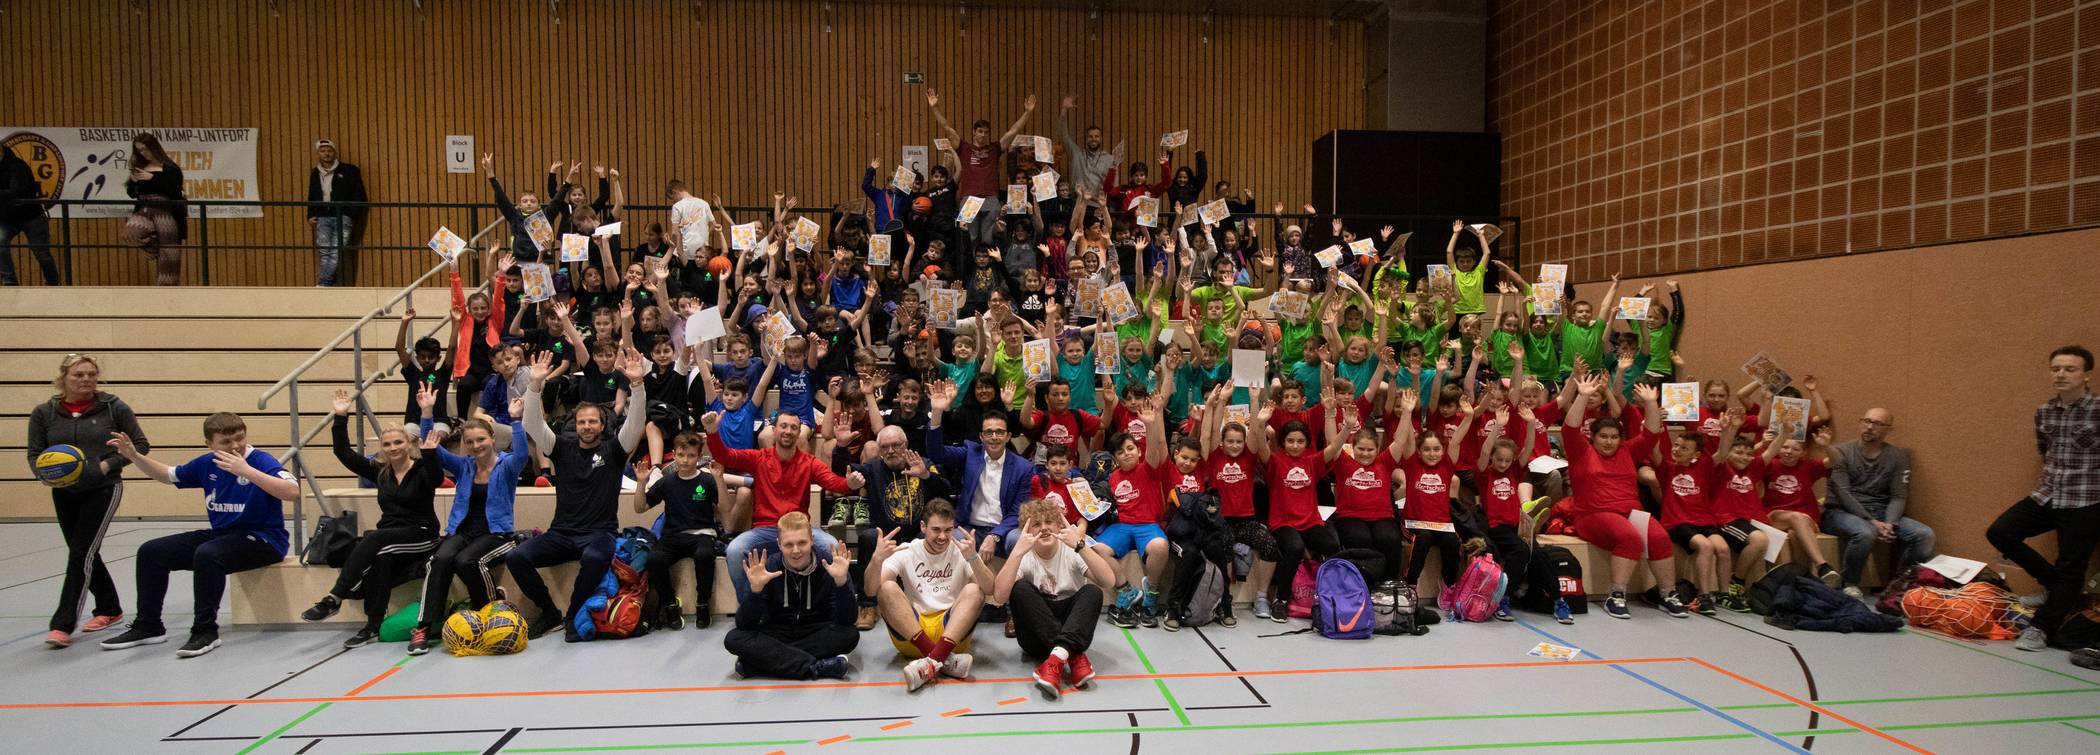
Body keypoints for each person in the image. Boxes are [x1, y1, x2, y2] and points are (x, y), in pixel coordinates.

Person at [99, 413, 295, 657]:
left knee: (208, 554)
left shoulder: (261, 460)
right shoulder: (207, 463)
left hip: (264, 539)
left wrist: (246, 470)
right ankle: (148, 625)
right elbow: (168, 475)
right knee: (151, 551)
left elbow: (291, 491)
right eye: (226, 442)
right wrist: (135, 456)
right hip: (223, 534)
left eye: (239, 438)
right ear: (210, 444)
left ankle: (205, 630)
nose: (235, 446)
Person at [508, 349, 649, 642]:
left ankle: (572, 614)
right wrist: (535, 386)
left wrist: (637, 385)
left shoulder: (613, 450)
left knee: (597, 557)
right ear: (575, 425)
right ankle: (548, 612)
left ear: (602, 425)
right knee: (517, 557)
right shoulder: (560, 448)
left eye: (592, 422)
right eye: (582, 422)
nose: (586, 427)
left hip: (600, 533)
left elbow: (636, 425)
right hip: (561, 533)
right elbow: (532, 425)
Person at [301, 388, 442, 648]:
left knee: (376, 541)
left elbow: (436, 478)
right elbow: (343, 453)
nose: (393, 448)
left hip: (422, 534)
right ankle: (372, 625)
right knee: (381, 557)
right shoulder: (380, 471)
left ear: (409, 444)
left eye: (398, 443)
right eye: (387, 445)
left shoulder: (423, 469)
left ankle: (335, 597)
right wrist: (340, 416)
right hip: (388, 537)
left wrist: (430, 442)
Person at [28, 355, 146, 648]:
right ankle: (110, 608)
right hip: (64, 491)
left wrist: (109, 464)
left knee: (80, 553)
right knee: (85, 551)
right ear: (64, 378)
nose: (86, 379)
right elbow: (35, 453)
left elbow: (140, 445)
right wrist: (44, 474)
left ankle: (63, 624)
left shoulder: (113, 407)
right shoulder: (44, 413)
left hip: (104, 488)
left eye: (92, 374)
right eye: (79, 374)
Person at [1990, 345, 2099, 652]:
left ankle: (2042, 628)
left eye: (2070, 369)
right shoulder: (2044, 412)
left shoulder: (2098, 409)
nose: (2061, 374)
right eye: (2056, 369)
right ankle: (2054, 586)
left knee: (2072, 567)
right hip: (2048, 494)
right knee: (2001, 532)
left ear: (2086, 376)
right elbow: (2045, 451)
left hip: (2086, 500)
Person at [1561, 375, 1686, 620]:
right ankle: (1616, 596)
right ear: (1593, 438)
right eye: (1603, 437)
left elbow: (1651, 433)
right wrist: (1583, 396)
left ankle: (1667, 593)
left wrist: (1650, 403)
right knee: (1629, 538)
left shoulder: (1627, 451)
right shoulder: (1581, 452)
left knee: (1660, 537)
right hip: (1592, 514)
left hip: (1629, 513)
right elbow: (1570, 427)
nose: (1609, 441)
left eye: (1614, 437)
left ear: (1621, 438)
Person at [411, 401, 529, 655]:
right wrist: (427, 414)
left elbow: (522, 455)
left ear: (492, 438)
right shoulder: (464, 465)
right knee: (439, 559)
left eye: (481, 440)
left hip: (497, 534)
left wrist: (516, 420)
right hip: (463, 531)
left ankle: (487, 616)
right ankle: (423, 627)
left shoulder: (506, 465)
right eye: (471, 442)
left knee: (467, 561)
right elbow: (430, 444)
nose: (476, 446)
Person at [708, 411, 861, 602]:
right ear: (774, 430)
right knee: (734, 550)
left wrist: (850, 485)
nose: (788, 431)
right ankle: (751, 606)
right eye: (784, 426)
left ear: (799, 434)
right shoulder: (759, 458)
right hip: (765, 530)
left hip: (798, 530)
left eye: (794, 427)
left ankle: (833, 605)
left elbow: (834, 483)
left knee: (831, 547)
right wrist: (712, 432)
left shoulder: (809, 462)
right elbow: (725, 456)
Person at [866, 500, 995, 691]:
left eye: (948, 530)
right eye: (936, 530)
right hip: (913, 634)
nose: (943, 537)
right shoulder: (907, 550)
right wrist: (876, 560)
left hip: (952, 633)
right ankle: (943, 659)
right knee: (886, 588)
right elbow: (871, 589)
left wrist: (974, 558)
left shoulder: (961, 551)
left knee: (975, 590)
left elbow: (989, 588)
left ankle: (930, 663)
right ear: (923, 527)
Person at [996, 500, 1116, 700]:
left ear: (1059, 526)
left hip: (1069, 627)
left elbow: (1108, 581)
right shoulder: (1024, 555)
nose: (1043, 528)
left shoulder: (1071, 550)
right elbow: (1000, 596)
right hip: (1035, 639)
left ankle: (1056, 659)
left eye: (1049, 521)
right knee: (1020, 589)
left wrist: (1080, 545)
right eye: (1036, 524)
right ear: (1028, 529)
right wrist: (1016, 552)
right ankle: (1072, 655)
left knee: (1092, 592)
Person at [724, 512, 858, 680]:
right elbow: (744, 624)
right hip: (778, 631)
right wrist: (756, 591)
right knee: (734, 638)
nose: (796, 551)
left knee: (850, 635)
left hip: (816, 631)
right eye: (788, 545)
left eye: (802, 543)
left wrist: (841, 582)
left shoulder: (831, 565)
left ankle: (761, 664)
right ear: (779, 544)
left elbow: (847, 620)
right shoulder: (770, 566)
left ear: (812, 540)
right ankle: (815, 667)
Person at [1822, 408, 1935, 599]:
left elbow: (1899, 496)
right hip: (1840, 512)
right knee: (1866, 532)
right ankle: (1849, 583)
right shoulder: (1841, 453)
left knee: (1925, 535)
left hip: (1881, 512)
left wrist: (1891, 523)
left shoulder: (1898, 457)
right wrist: (1872, 521)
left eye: (1877, 424)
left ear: (1888, 429)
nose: (1869, 427)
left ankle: (1900, 583)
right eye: (1866, 421)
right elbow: (1844, 494)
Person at [633, 432, 731, 629]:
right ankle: (670, 605)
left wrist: (719, 479)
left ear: (699, 456)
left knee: (704, 555)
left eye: (691, 455)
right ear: (674, 455)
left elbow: (725, 507)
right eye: (681, 455)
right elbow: (640, 508)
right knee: (654, 558)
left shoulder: (707, 481)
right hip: (673, 536)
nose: (685, 460)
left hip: (703, 534)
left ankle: (703, 604)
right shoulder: (667, 482)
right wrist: (641, 483)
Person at [848, 427, 936, 630]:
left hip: (917, 533)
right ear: (879, 450)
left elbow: (945, 488)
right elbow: (848, 474)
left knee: (931, 535)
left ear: (905, 446)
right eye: (884, 447)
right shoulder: (872, 469)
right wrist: (849, 472)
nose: (890, 451)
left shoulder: (922, 464)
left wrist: (925, 476)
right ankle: (868, 605)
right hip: (885, 536)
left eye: (896, 445)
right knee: (868, 537)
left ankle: (930, 601)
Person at [121, 133, 187, 286]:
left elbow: (174, 191)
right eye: (139, 151)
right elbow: (132, 194)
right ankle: (155, 246)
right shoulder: (141, 167)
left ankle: (167, 295)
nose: (144, 153)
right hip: (145, 208)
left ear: (154, 148)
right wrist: (133, 181)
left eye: (145, 149)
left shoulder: (170, 168)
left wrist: (153, 178)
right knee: (129, 233)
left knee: (169, 262)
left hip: (166, 211)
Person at [307, 138, 368, 287]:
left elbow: (359, 195)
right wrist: (310, 214)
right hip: (323, 216)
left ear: (334, 152)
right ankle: (327, 282)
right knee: (324, 250)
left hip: (343, 216)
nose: (326, 154)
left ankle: (324, 283)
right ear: (318, 154)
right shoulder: (315, 173)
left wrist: (350, 214)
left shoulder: (350, 171)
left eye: (329, 150)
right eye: (322, 151)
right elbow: (312, 194)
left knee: (336, 250)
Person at [0, 142, 58, 285]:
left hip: (31, 216)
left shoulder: (16, 166)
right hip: (7, 218)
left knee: (41, 252)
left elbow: (17, 191)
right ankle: (9, 281)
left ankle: (53, 283)